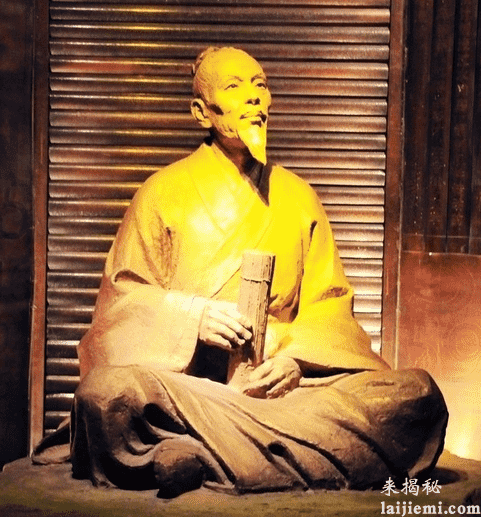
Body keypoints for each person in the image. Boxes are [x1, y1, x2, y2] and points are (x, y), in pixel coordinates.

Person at [35, 47, 448, 498]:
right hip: (190, 393)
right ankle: (257, 459)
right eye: (235, 87)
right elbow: (120, 306)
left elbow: (330, 307)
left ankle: (193, 456)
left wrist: (293, 359)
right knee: (104, 395)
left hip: (280, 397)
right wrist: (191, 317)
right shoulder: (161, 193)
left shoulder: (298, 197)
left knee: (417, 395)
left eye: (260, 85)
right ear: (201, 112)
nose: (254, 97)